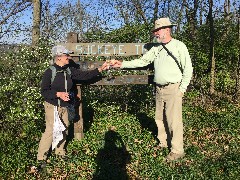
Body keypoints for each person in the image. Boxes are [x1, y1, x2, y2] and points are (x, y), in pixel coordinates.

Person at [110, 17, 193, 162]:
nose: (155, 34)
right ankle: (163, 143)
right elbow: (142, 61)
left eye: (158, 31)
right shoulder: (157, 48)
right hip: (159, 89)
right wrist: (121, 64)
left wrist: (182, 89)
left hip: (174, 88)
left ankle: (177, 150)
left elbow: (188, 69)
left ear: (167, 30)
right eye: (155, 31)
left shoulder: (180, 46)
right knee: (159, 118)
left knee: (174, 121)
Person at [37, 45, 108, 168]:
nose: (69, 57)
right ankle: (41, 157)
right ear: (59, 57)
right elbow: (44, 91)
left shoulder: (69, 70)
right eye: (66, 55)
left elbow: (84, 76)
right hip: (52, 105)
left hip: (65, 105)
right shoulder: (50, 72)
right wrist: (58, 94)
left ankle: (60, 152)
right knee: (50, 130)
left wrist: (100, 69)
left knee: (64, 128)